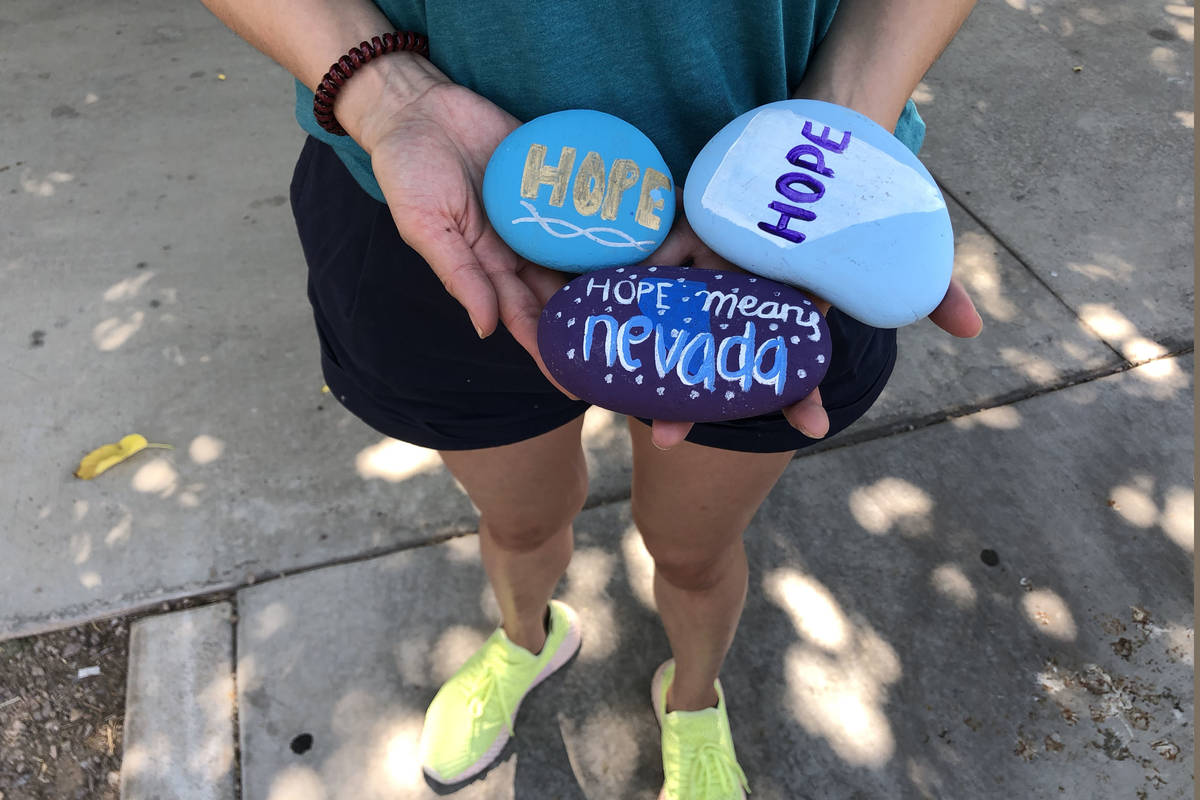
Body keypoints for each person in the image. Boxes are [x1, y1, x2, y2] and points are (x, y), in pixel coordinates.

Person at [200, 1, 981, 796]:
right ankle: (524, 639)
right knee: (520, 522)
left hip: (798, 229)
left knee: (692, 553)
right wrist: (382, 88)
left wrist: (839, 124)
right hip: (447, 212)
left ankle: (693, 700)